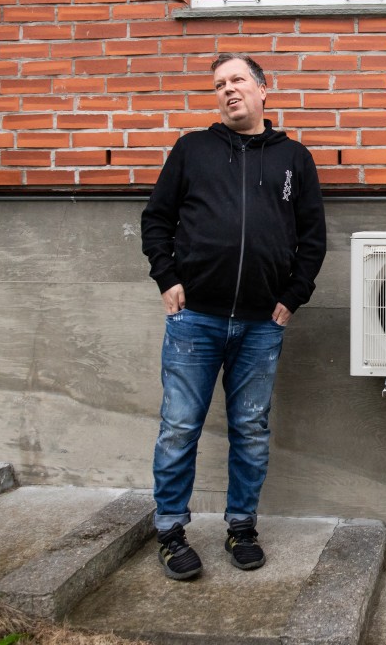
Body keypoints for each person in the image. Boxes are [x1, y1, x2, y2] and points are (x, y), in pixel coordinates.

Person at [140, 53, 327, 580]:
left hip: (261, 325)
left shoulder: (293, 159)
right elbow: (156, 219)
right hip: (194, 318)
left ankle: (241, 526)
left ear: (264, 90)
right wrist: (167, 278)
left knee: (250, 427)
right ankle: (172, 532)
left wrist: (293, 296)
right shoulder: (191, 150)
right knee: (179, 427)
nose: (228, 90)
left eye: (238, 80)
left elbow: (313, 240)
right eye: (219, 84)